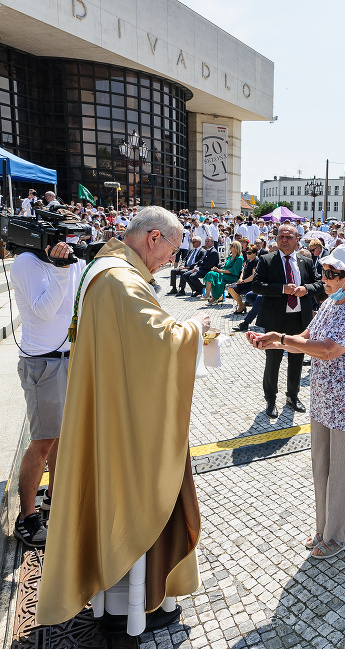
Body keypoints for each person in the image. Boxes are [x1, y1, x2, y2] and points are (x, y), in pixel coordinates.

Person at [37, 206, 210, 634]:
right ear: (153, 238)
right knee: (140, 493)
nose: (174, 257)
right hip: (129, 423)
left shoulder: (106, 270)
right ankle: (136, 604)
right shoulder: (120, 279)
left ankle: (116, 599)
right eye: (172, 246)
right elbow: (157, 344)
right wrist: (195, 327)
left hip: (113, 408)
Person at [247, 245, 345, 559]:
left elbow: (329, 349)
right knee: (322, 468)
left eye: (332, 274)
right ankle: (324, 529)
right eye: (324, 271)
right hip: (325, 401)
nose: (324, 278)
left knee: (344, 472)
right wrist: (275, 341)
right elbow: (309, 337)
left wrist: (281, 338)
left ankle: (340, 535)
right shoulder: (331, 302)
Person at [9, 239, 86, 548]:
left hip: (70, 356)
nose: (69, 246)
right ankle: (26, 520)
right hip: (43, 362)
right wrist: (62, 268)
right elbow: (43, 311)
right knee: (41, 441)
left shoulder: (73, 260)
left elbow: (78, 302)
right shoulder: (26, 262)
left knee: (61, 437)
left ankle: (53, 501)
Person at [252, 224, 323, 417]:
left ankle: (292, 395)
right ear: (276, 239)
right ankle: (270, 399)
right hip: (276, 318)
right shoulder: (266, 260)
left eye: (288, 236)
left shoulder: (305, 262)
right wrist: (282, 289)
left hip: (300, 318)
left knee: (297, 359)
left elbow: (319, 285)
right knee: (273, 361)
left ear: (297, 239)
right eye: (281, 236)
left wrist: (306, 289)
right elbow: (257, 285)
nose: (284, 239)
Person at [204, 240, 244, 304]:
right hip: (224, 273)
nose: (230, 246)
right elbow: (225, 268)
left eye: (232, 245)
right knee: (210, 274)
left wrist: (218, 270)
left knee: (214, 276)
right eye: (230, 245)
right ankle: (209, 295)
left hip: (232, 276)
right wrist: (217, 269)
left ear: (236, 248)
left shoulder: (239, 258)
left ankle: (213, 297)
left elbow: (233, 271)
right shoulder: (229, 257)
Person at [227, 244, 260, 314]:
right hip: (244, 282)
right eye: (246, 253)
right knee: (230, 288)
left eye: (249, 253)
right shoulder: (248, 261)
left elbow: (253, 276)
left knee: (232, 288)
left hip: (251, 283)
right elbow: (243, 271)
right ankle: (241, 305)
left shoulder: (256, 261)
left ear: (255, 253)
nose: (247, 254)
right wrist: (240, 279)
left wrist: (243, 281)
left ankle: (241, 306)